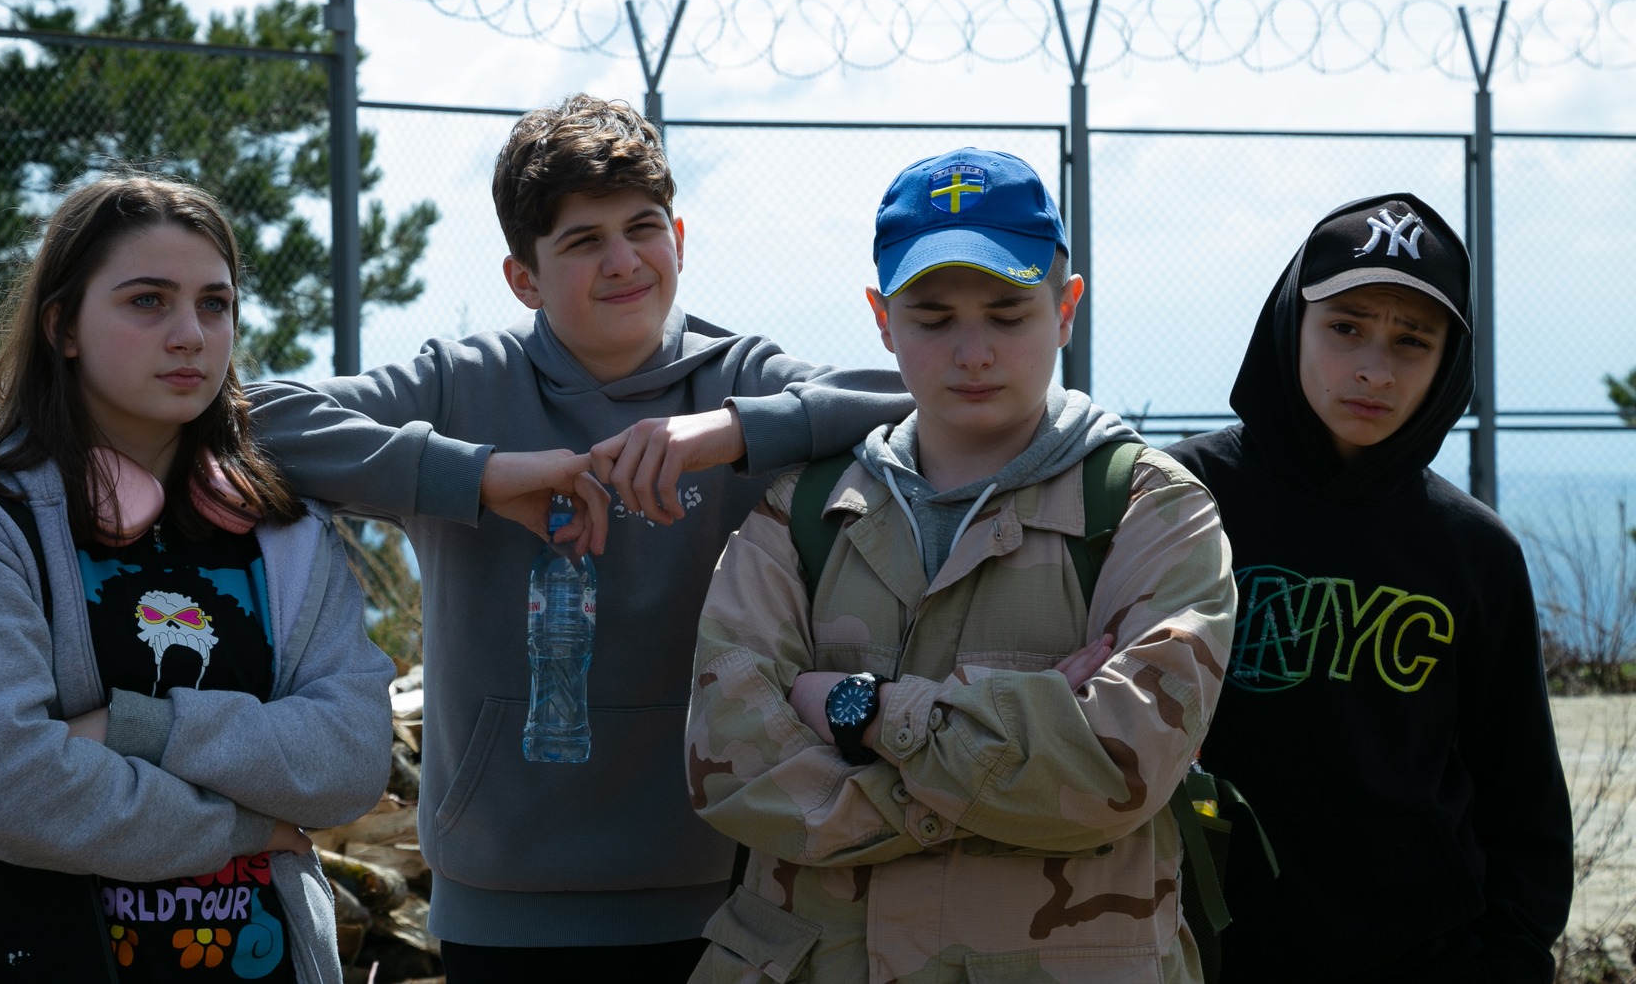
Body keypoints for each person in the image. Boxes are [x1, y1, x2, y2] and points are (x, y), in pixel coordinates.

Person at [246, 94, 914, 982]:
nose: (624, 260)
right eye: (583, 240)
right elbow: (255, 422)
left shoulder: (739, 377)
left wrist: (727, 433)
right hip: (505, 898)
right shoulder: (461, 384)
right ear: (524, 277)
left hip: (726, 882)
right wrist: (480, 476)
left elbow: (916, 394)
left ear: (679, 236)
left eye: (643, 228)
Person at [685, 147, 1235, 983]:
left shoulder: (1145, 509)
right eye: (933, 318)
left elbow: (1115, 767)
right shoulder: (802, 513)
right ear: (882, 319)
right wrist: (1013, 745)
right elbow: (729, 762)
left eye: (1008, 313)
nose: (972, 351)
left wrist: (860, 710)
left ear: (1066, 308)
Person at [0, 175, 393, 983]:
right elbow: (5, 791)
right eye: (148, 301)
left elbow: (349, 761)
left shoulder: (289, 532)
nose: (190, 335)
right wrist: (244, 827)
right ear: (62, 327)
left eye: (215, 304)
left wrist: (136, 725)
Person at [1167, 193, 1572, 983]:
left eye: (1412, 341)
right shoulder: (1180, 500)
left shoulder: (1475, 551)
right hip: (1195, 952)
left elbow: (1523, 800)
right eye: (1346, 327)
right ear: (1292, 320)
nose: (1374, 370)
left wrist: (1509, 958)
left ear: (1449, 359)